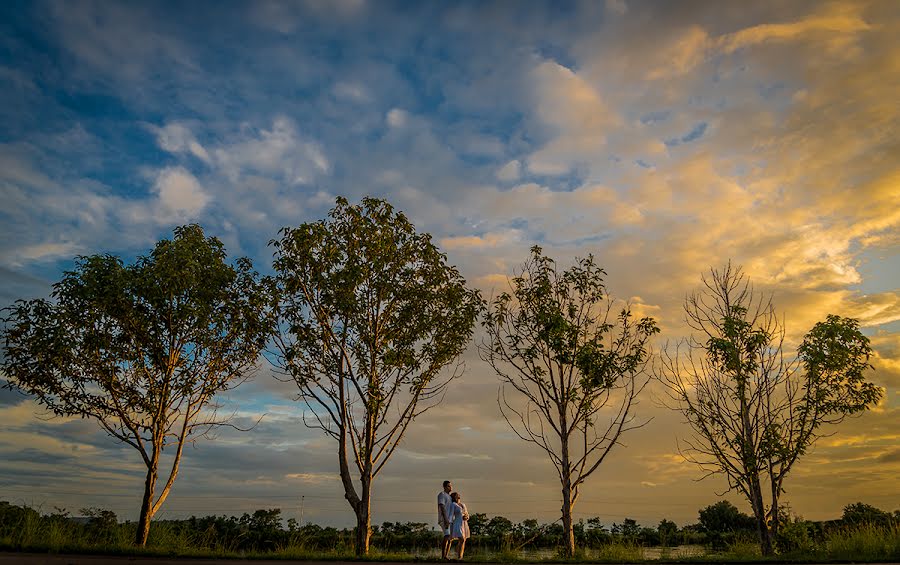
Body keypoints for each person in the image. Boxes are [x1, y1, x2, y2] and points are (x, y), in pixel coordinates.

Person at [448, 492, 470, 560]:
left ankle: (459, 556)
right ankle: (459, 557)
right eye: (457, 494)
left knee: (463, 540)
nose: (458, 495)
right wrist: (450, 525)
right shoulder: (453, 505)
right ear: (454, 497)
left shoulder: (463, 504)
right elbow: (451, 515)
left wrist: (467, 517)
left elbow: (467, 514)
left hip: (464, 524)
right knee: (462, 539)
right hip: (457, 523)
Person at [437, 480, 453, 559]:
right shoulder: (442, 495)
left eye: (451, 486)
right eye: (449, 486)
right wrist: (446, 519)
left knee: (450, 538)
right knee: (447, 535)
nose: (451, 487)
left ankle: (446, 555)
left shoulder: (450, 497)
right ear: (444, 487)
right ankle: (443, 556)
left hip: (450, 520)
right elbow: (442, 507)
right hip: (444, 519)